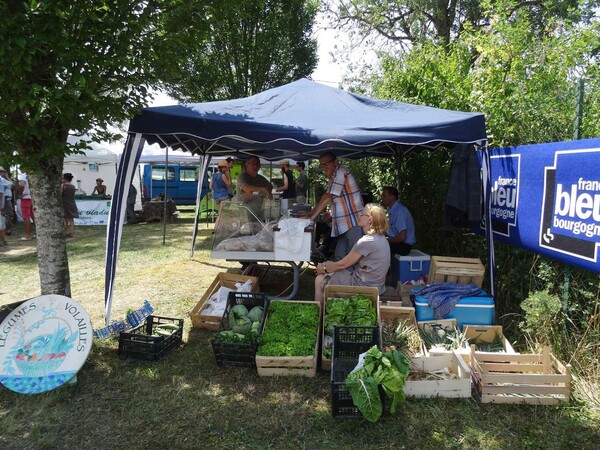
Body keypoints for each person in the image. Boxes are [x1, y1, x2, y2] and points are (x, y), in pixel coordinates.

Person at [314, 203, 391, 304]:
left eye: (362, 214)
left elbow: (342, 264)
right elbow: (348, 263)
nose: (359, 216)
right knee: (331, 271)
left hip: (363, 286)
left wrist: (323, 268)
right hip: (377, 286)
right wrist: (327, 266)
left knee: (319, 279)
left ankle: (318, 315)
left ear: (370, 220)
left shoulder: (366, 241)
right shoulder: (381, 238)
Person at [300, 152, 364, 261]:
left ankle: (358, 278)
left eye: (327, 164)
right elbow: (326, 196)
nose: (324, 167)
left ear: (336, 162)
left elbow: (328, 197)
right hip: (343, 225)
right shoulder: (334, 176)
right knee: (340, 255)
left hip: (353, 223)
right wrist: (311, 212)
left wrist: (312, 217)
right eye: (322, 165)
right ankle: (343, 277)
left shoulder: (341, 172)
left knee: (355, 258)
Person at [381, 186, 416, 256]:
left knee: (378, 247)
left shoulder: (399, 212)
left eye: (384, 196)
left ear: (392, 197)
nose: (382, 198)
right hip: (399, 244)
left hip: (404, 246)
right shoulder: (393, 210)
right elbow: (390, 231)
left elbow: (402, 237)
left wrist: (387, 241)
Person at [236, 156, 273, 222]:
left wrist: (265, 193)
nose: (256, 166)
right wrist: (263, 190)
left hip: (258, 213)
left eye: (258, 164)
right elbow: (247, 189)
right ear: (247, 164)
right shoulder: (242, 176)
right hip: (244, 214)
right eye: (253, 163)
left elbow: (270, 186)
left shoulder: (260, 178)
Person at [61, 173, 79, 237]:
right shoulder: (73, 186)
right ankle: (71, 232)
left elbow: (60, 194)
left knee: (65, 218)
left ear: (65, 179)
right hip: (72, 202)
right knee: (71, 219)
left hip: (64, 202)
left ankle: (65, 231)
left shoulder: (63, 185)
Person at [18, 173, 34, 241]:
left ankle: (28, 235)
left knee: (26, 217)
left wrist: (20, 194)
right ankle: (35, 233)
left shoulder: (23, 175)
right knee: (33, 216)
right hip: (31, 197)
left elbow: (21, 184)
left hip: (25, 198)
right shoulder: (32, 174)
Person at [0, 167, 14, 237]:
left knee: (6, 213)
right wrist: (7, 177)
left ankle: (6, 229)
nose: (4, 173)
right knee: (8, 213)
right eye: (2, 172)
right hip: (5, 198)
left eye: (4, 172)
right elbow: (11, 184)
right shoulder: (2, 179)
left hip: (5, 198)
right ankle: (7, 229)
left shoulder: (3, 179)